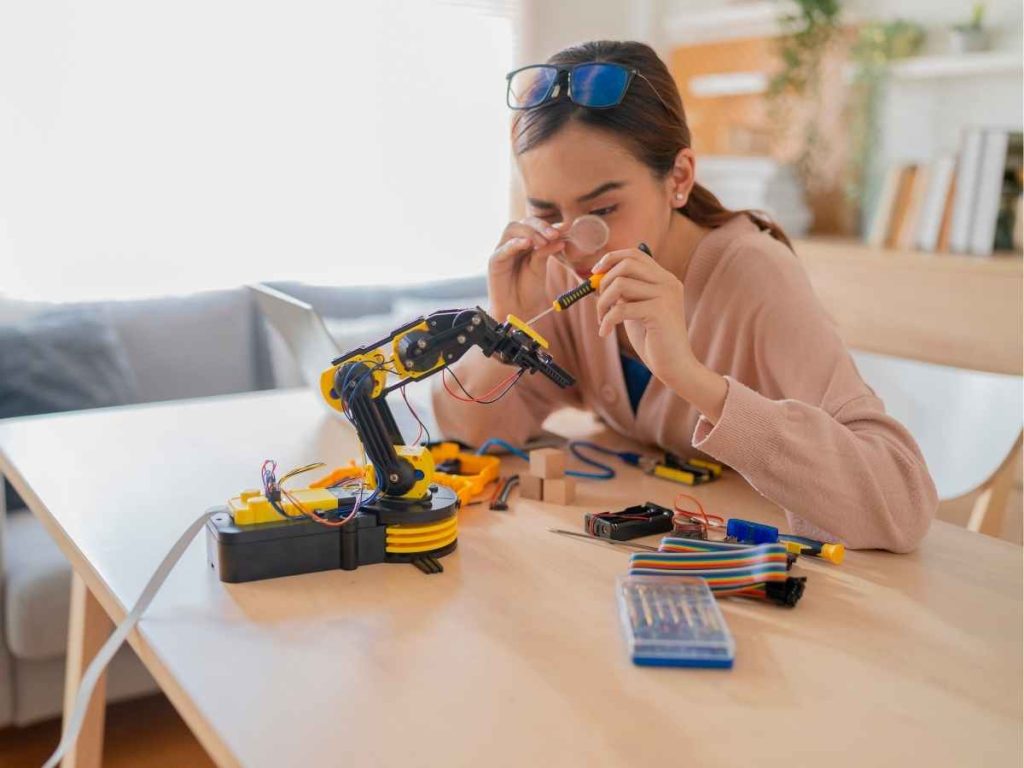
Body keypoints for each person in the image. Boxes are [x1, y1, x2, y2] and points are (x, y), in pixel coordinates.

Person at [431, 40, 937, 552]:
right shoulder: (562, 271)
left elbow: (902, 503)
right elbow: (470, 435)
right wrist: (506, 326)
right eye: (545, 213)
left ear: (678, 178)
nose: (574, 243)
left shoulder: (755, 275)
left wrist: (693, 380)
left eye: (602, 210)